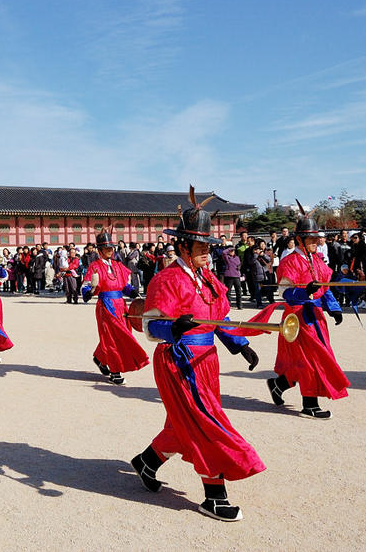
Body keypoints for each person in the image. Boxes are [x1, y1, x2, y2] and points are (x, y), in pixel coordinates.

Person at [131, 189, 263, 522]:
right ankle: (214, 495)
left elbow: (219, 320)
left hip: (207, 359)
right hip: (179, 361)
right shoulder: (166, 279)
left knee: (186, 420)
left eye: (209, 247)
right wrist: (173, 327)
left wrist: (239, 344)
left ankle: (148, 460)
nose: (208, 252)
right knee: (205, 421)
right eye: (201, 247)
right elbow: (150, 325)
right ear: (183, 247)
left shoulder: (211, 281)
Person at [266, 208, 348, 419]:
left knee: (316, 357)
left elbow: (326, 287)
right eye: (311, 239)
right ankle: (310, 403)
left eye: (316, 238)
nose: (316, 242)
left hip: (317, 317)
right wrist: (305, 291)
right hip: (298, 317)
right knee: (310, 359)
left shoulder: (318, 260)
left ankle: (278, 384)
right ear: (300, 240)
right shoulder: (289, 262)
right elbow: (286, 292)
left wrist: (334, 308)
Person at [81, 231, 148, 385]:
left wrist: (134, 293)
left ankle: (100, 358)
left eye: (111, 248)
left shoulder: (118, 265)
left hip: (121, 306)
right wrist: (89, 291)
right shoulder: (95, 266)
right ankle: (115, 371)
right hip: (106, 306)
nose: (110, 250)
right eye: (106, 248)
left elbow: (124, 285)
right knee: (112, 337)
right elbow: (86, 287)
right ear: (100, 251)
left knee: (121, 334)